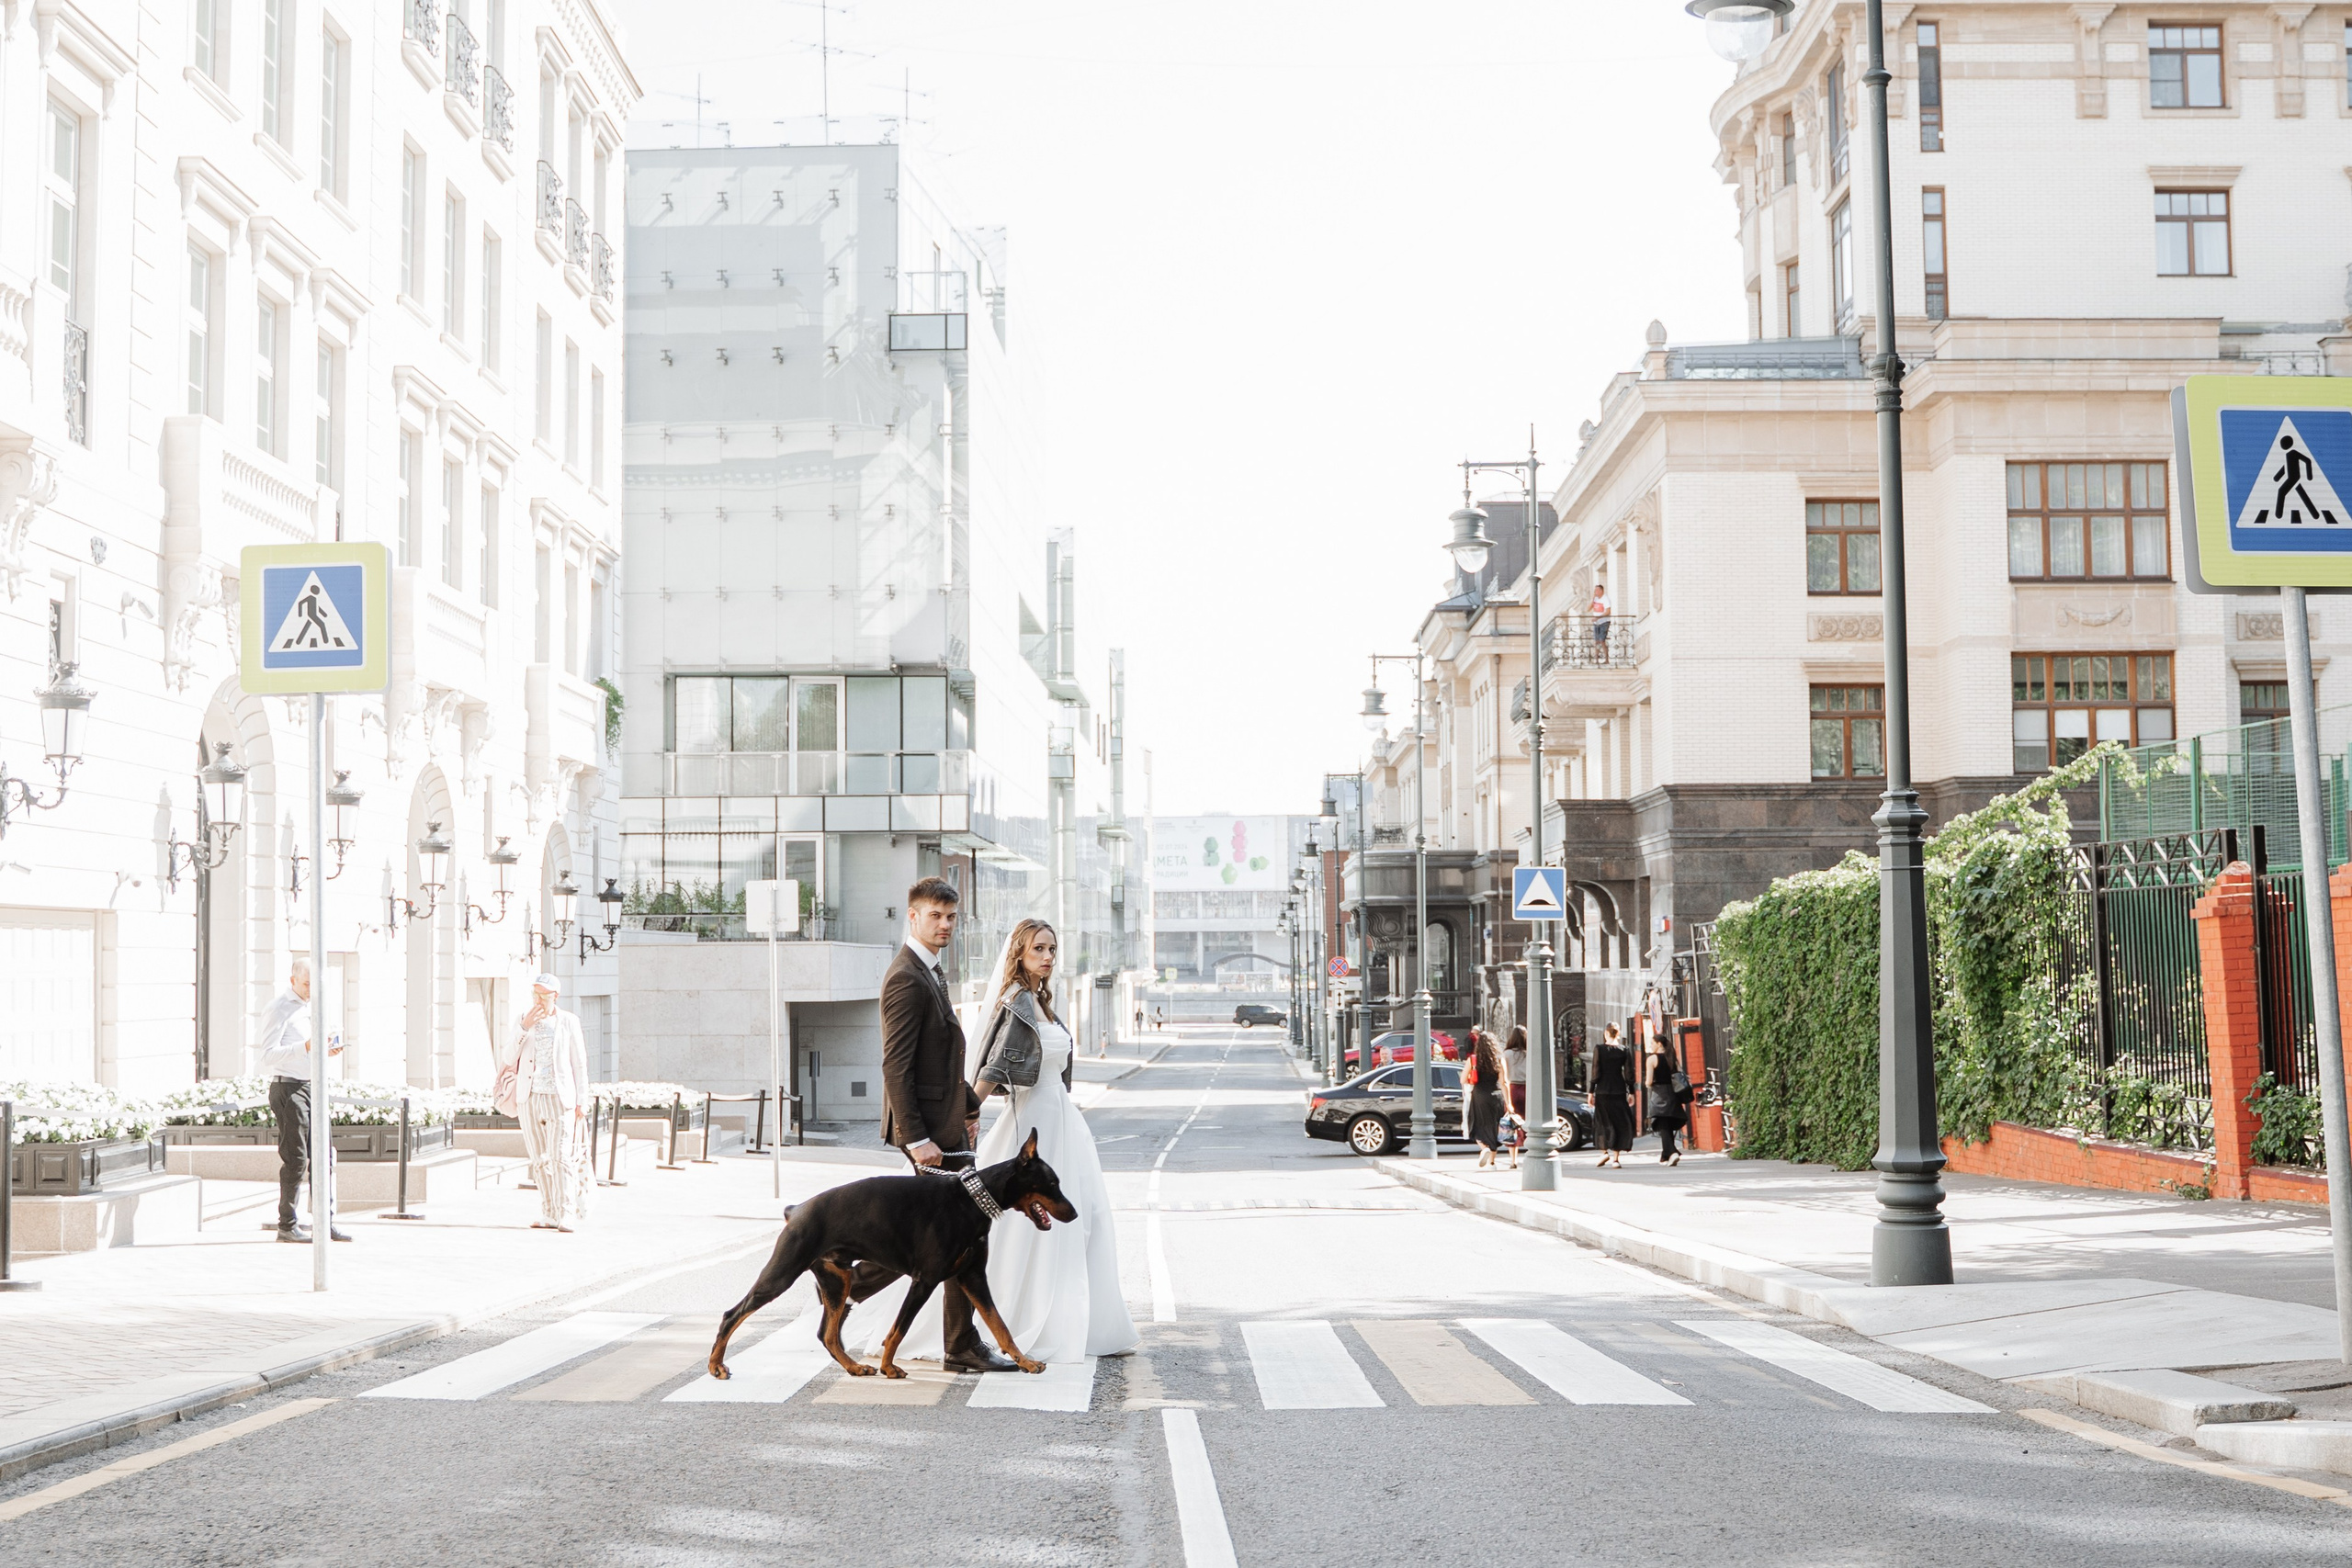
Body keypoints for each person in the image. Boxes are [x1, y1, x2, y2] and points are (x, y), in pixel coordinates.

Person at [866, 875, 1011, 1374]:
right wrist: (918, 1139)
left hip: (947, 1126)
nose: (945, 925)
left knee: (952, 1239)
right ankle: (961, 1345)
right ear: (913, 916)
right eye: (935, 916)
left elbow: (941, 1063)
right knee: (956, 1241)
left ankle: (958, 1343)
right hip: (929, 1135)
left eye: (951, 917)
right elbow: (896, 1067)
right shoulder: (906, 977)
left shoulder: (931, 971)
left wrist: (969, 1107)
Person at [256, 959, 349, 1243]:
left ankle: (325, 1221)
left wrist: (326, 1050)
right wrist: (305, 1046)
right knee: (296, 1159)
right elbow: (266, 1056)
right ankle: (287, 1224)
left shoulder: (316, 1006)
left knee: (325, 1157)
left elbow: (317, 1046)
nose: (310, 989)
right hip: (289, 1089)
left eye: (315, 984)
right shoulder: (278, 1008)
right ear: (293, 980)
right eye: (306, 983)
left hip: (315, 1087)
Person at [507, 974, 592, 1230]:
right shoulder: (524, 1020)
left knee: (560, 1155)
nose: (538, 1000)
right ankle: (549, 1212)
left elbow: (579, 1063)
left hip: (559, 1097)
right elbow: (509, 1057)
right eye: (535, 994)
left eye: (544, 995)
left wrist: (582, 1100)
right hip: (529, 1097)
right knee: (539, 1158)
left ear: (555, 996)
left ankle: (566, 1212)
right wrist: (523, 1027)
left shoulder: (568, 1021)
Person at [1464, 1029, 1510, 1169]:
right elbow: (1504, 1082)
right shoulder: (1499, 1059)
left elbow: (1462, 1079)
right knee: (1494, 1128)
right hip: (1496, 1096)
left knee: (1477, 1125)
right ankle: (1492, 1163)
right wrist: (1509, 1103)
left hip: (1479, 1096)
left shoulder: (1473, 1060)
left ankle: (1484, 1148)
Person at [1591, 1022, 1635, 1169]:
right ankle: (1616, 1159)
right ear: (1618, 1033)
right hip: (1619, 1089)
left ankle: (1604, 1151)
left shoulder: (1599, 1049)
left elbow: (1595, 1071)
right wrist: (1632, 1092)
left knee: (1602, 1121)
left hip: (1603, 1090)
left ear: (1606, 1033)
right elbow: (1629, 1073)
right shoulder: (1624, 1050)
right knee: (1619, 1123)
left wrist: (1591, 1091)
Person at [1648, 1039, 1693, 1167]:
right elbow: (1681, 1075)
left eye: (1652, 1043)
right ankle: (1665, 1155)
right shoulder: (1672, 1058)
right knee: (1667, 1125)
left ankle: (1672, 1152)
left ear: (1659, 1044)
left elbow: (1649, 1081)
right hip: (1673, 1095)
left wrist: (1648, 1085)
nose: (1651, 1046)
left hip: (1659, 1095)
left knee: (1662, 1124)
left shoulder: (1652, 1059)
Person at [1503, 1025, 1529, 1121]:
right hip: (1527, 1089)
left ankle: (1517, 1136)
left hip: (1511, 1089)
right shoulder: (1529, 1054)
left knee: (1512, 1120)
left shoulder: (1506, 1054)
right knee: (1526, 1119)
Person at [1589, 581, 1612, 659]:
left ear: (1601, 591)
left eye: (1597, 590)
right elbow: (1588, 609)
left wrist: (1598, 617)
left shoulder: (1605, 599)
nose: (1596, 592)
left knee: (1602, 640)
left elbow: (1608, 612)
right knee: (1597, 641)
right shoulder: (1595, 599)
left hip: (1604, 622)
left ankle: (1606, 658)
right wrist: (1592, 599)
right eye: (1595, 590)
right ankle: (1597, 658)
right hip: (1596, 623)